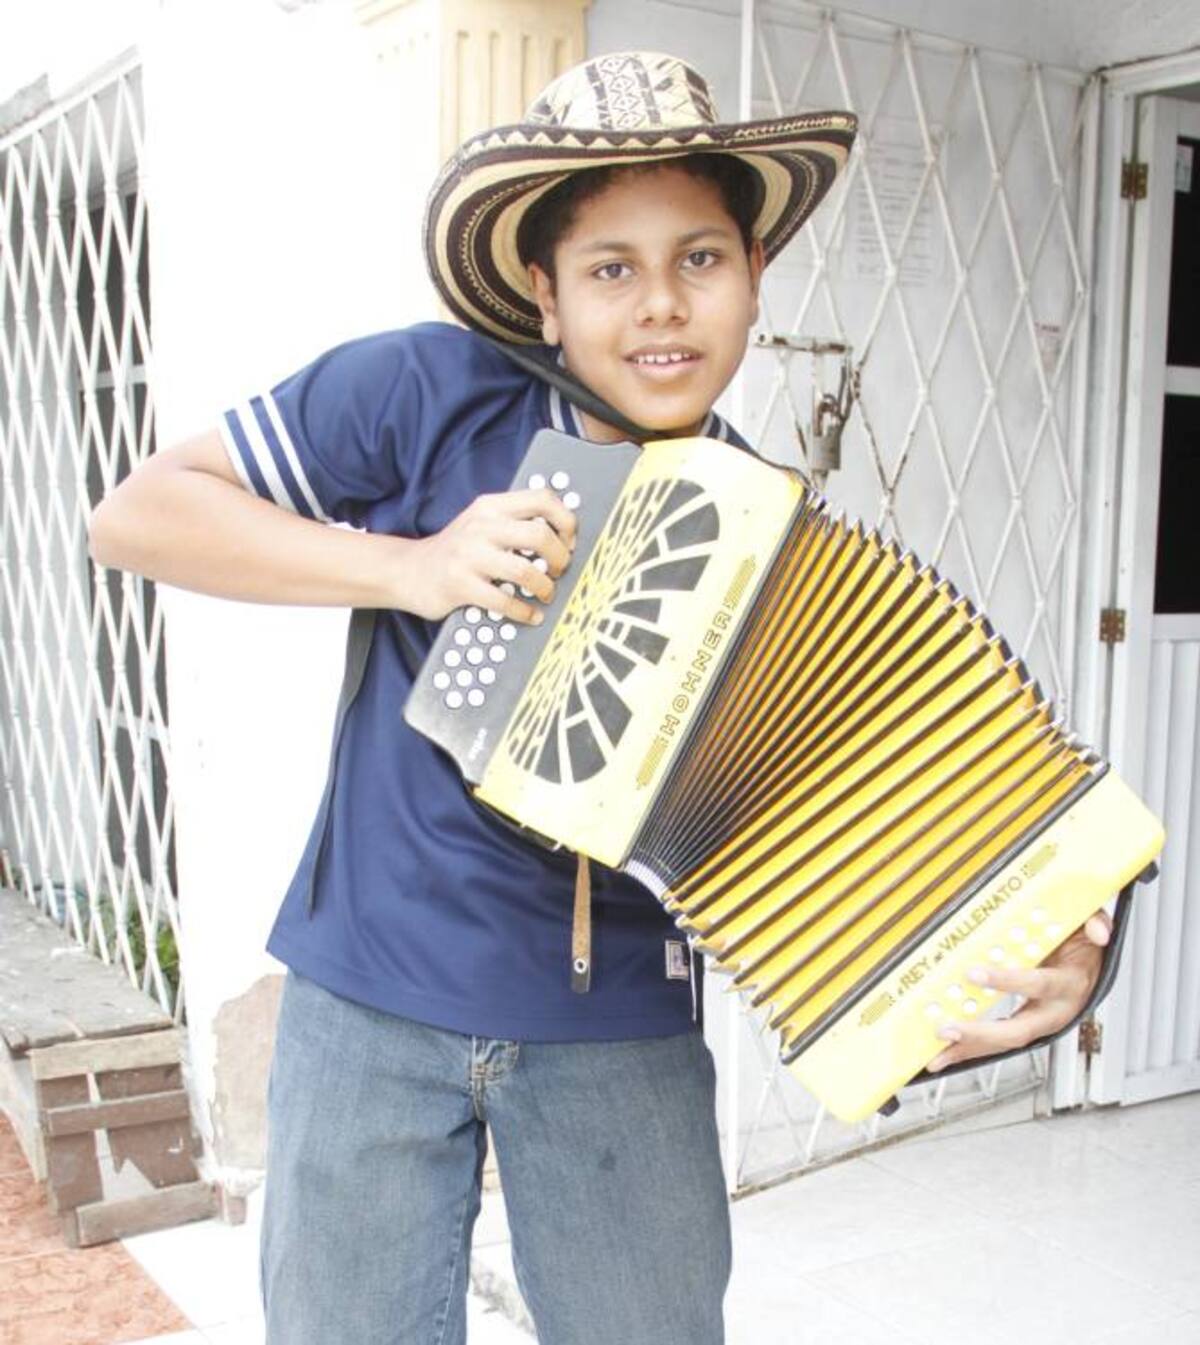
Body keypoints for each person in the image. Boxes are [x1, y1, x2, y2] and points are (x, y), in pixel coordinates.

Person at [89, 50, 1113, 1345]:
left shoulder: (763, 527)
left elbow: (874, 783)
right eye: (611, 268)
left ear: (755, 274)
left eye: (702, 258)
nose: (661, 306)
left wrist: (1065, 920)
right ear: (547, 291)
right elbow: (139, 515)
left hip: (618, 1017)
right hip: (372, 992)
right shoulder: (429, 392)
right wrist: (414, 567)